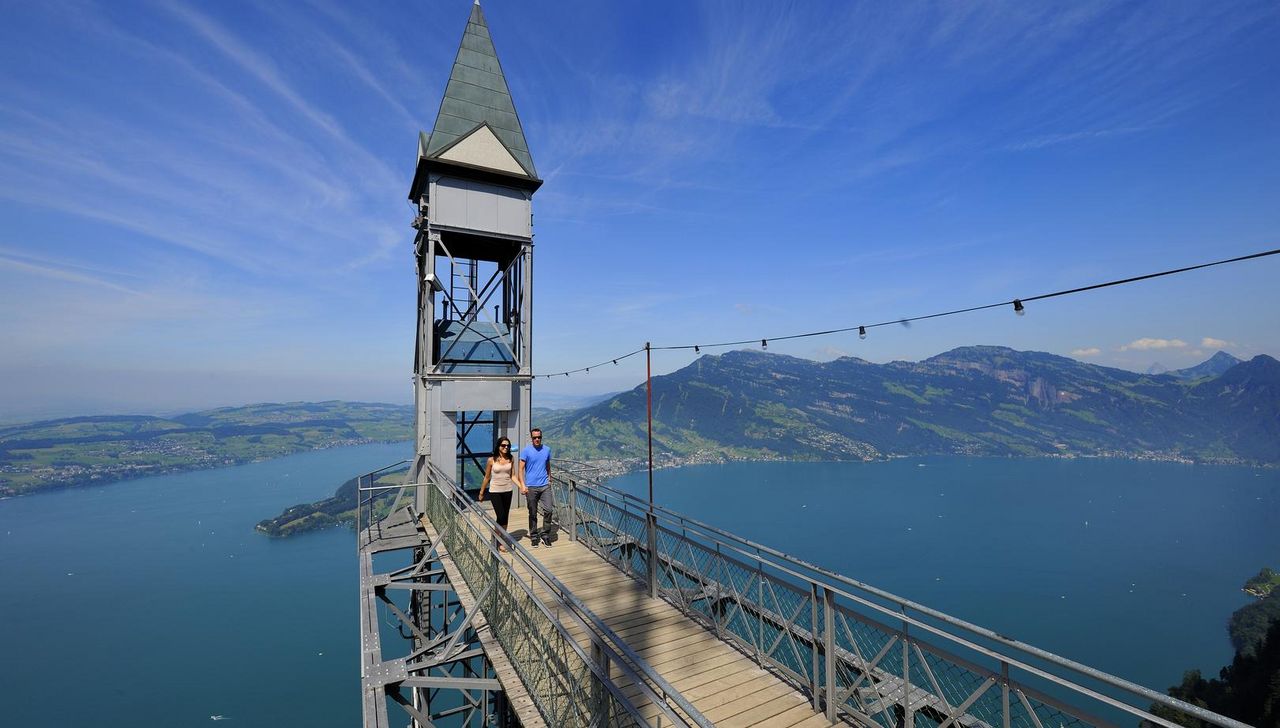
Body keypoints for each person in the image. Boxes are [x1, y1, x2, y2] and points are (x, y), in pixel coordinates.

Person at [478, 437, 515, 552]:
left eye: (508, 446)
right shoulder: (491, 460)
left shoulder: (511, 459)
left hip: (508, 490)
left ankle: (500, 539)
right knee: (501, 516)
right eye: (503, 445)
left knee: (505, 517)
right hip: (495, 491)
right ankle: (497, 539)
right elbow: (487, 477)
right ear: (498, 446)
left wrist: (522, 486)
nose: (506, 447)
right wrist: (481, 492)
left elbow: (513, 475)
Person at [518, 427, 553, 547]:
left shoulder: (547, 449)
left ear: (541, 437)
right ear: (531, 438)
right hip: (531, 486)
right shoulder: (526, 451)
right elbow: (520, 469)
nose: (537, 439)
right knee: (532, 512)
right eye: (535, 438)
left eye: (539, 437)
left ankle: (545, 534)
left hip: (544, 486)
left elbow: (547, 464)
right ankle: (534, 536)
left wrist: (549, 477)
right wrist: (523, 484)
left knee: (549, 510)